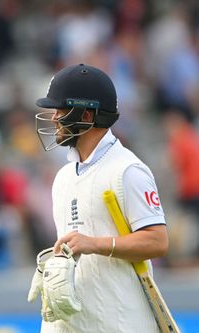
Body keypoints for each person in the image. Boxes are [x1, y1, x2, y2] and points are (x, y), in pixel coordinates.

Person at [28, 64, 169, 332]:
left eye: (62, 110)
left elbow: (157, 241)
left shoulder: (127, 170)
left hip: (119, 322)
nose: (55, 118)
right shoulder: (64, 177)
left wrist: (94, 244)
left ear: (88, 113)